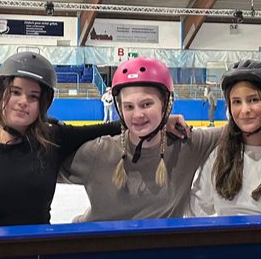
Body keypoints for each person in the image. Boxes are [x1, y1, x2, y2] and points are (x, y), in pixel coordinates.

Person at [0, 52, 189, 228]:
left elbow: (108, 127)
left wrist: (161, 120)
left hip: (37, 257)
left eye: (33, 96)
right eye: (15, 92)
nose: (23, 101)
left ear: (43, 103)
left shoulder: (52, 140)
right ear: (1, 92)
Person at [61, 58, 223, 222]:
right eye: (129, 106)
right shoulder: (98, 152)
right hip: (94, 237)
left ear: (165, 105)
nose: (138, 114)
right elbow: (47, 156)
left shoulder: (187, 145)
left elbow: (233, 128)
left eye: (146, 104)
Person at [188, 60, 261, 216]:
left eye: (253, 100)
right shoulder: (217, 156)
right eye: (237, 102)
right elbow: (197, 211)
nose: (245, 109)